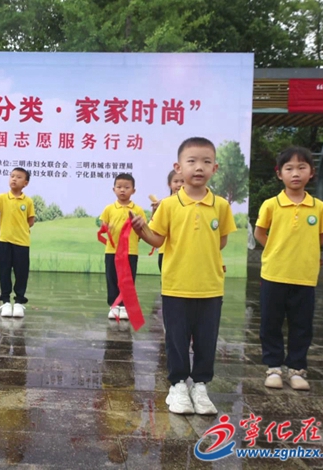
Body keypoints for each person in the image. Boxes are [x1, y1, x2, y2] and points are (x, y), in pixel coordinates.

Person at [132, 137, 236, 415]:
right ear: (178, 167)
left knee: (206, 339)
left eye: (206, 161)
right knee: (176, 339)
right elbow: (157, 239)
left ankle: (200, 386)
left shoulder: (221, 206)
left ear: (215, 168)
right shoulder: (168, 205)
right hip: (176, 286)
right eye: (192, 161)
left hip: (210, 286)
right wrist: (142, 230)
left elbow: (221, 240)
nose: (198, 167)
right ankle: (178, 386)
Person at [254, 146, 323, 391]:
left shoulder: (318, 207)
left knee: (302, 325)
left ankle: (297, 369)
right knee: (271, 323)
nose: (296, 173)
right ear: (279, 174)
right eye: (289, 168)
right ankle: (274, 368)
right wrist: (276, 250)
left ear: (311, 172)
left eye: (302, 167)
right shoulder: (271, 204)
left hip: (304, 277)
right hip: (274, 274)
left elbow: (322, 237)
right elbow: (260, 233)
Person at [0, 168, 35, 318]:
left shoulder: (28, 201)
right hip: (4, 242)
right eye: (12, 176)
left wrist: (20, 230)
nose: (14, 179)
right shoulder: (2, 198)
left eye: (19, 177)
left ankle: (18, 302)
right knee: (4, 272)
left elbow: (31, 221)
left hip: (22, 243)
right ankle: (5, 302)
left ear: (25, 183)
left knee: (21, 274)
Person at [99, 173, 146, 321]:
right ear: (114, 189)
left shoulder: (138, 210)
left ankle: (125, 307)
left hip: (130, 251)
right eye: (119, 187)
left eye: (127, 187)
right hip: (112, 251)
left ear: (133, 190)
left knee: (128, 281)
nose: (122, 190)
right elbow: (103, 225)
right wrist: (106, 228)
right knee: (112, 278)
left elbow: (142, 230)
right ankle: (114, 306)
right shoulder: (109, 209)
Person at [150, 170, 184, 272]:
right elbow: (155, 226)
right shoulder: (164, 203)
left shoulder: (192, 203)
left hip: (184, 250)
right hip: (165, 250)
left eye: (182, 181)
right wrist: (155, 209)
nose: (179, 184)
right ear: (170, 184)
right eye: (176, 181)